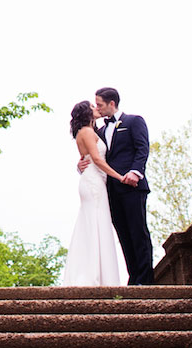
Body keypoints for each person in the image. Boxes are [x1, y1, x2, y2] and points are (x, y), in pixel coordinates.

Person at [78, 87, 154, 285]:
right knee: (124, 235)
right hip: (109, 190)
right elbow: (95, 156)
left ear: (112, 103)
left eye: (101, 105)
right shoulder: (99, 131)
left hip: (132, 186)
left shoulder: (134, 121)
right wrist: (81, 164)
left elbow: (142, 149)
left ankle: (145, 281)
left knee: (138, 232)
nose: (98, 109)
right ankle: (134, 277)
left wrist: (135, 172)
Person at [61, 100, 123, 286]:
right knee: (95, 223)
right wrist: (119, 177)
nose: (96, 109)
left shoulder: (89, 132)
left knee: (94, 223)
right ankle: (92, 276)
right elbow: (96, 159)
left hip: (94, 180)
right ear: (86, 114)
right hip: (93, 183)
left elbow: (85, 158)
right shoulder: (87, 132)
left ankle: (97, 273)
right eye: (92, 107)